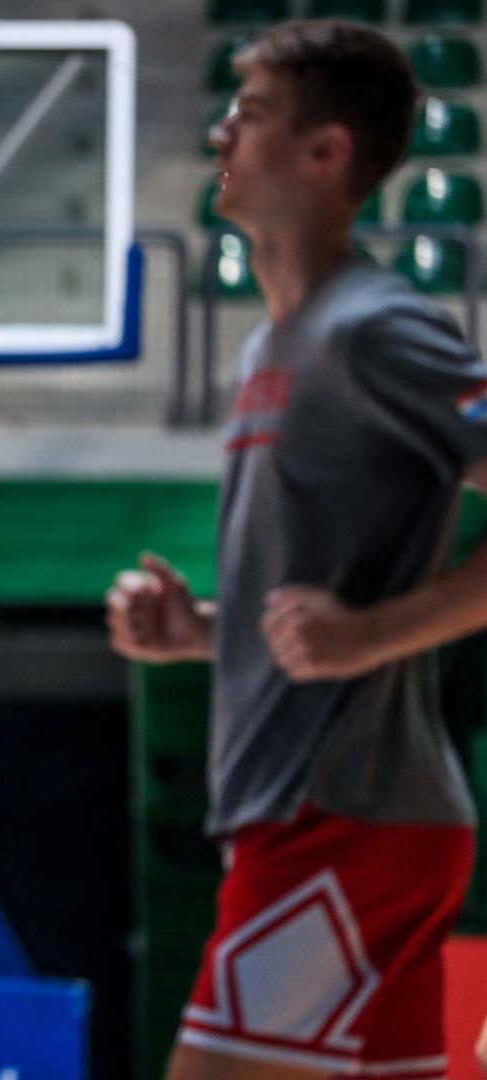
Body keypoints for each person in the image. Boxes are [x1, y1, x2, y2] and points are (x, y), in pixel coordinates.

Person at [107, 21, 484, 1080]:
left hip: (338, 811)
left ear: (323, 154)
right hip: (346, 812)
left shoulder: (372, 327)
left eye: (254, 112)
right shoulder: (274, 342)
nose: (221, 130)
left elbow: (350, 628)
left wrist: (373, 634)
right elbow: (316, 613)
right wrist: (205, 634)